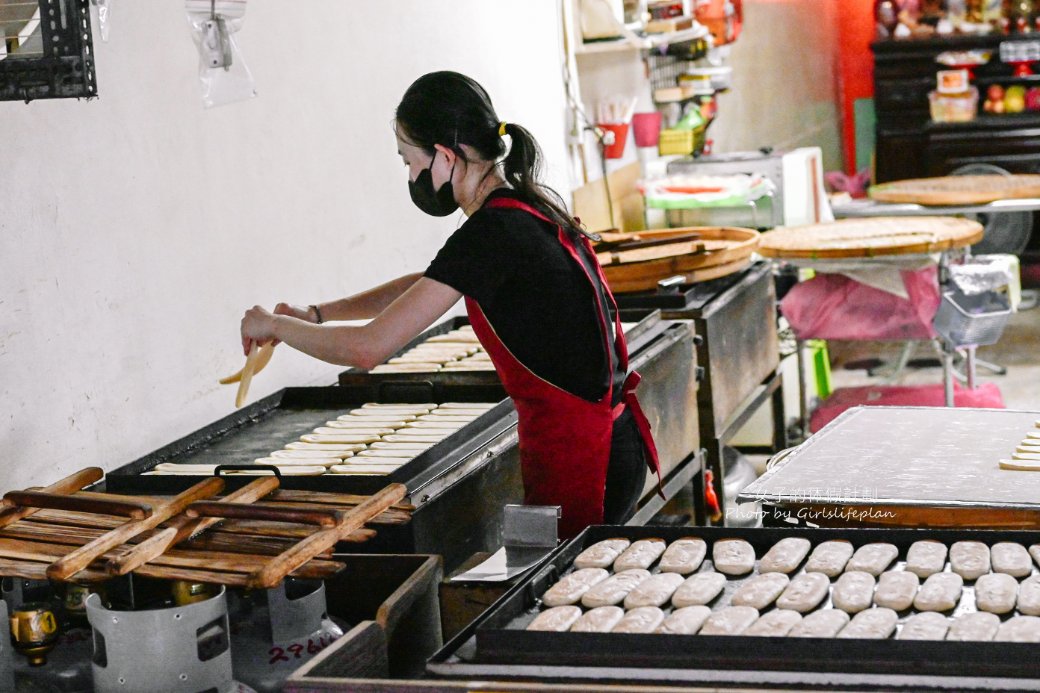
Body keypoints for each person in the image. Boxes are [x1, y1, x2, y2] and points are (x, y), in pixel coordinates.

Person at [239, 71, 659, 538]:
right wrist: (316, 314)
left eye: (408, 161)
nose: (411, 176)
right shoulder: (520, 206)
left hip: (585, 456)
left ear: (443, 156)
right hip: (604, 442)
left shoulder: (491, 232)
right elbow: (429, 283)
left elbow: (366, 350)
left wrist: (274, 326)